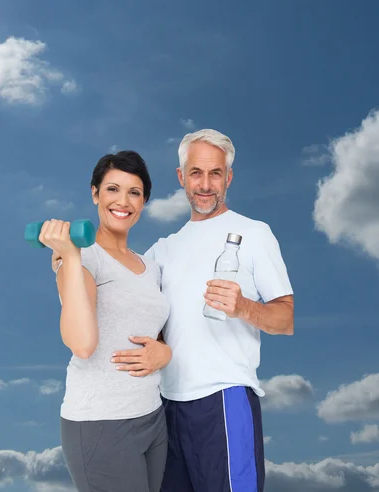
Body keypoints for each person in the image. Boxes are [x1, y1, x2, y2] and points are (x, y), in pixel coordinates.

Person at [112, 129, 295, 492]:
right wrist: (69, 259)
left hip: (224, 399)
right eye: (196, 172)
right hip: (165, 408)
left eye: (216, 173)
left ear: (228, 177)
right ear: (182, 177)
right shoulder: (162, 251)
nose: (206, 184)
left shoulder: (254, 233)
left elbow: (285, 319)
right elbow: (124, 301)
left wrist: (243, 306)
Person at [40, 151, 173, 492]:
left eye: (135, 192)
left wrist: (165, 353)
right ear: (95, 193)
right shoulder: (84, 259)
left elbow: (156, 335)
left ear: (144, 202)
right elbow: (82, 344)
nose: (123, 201)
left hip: (152, 417)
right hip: (101, 423)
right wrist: (69, 256)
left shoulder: (151, 267)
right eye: (112, 189)